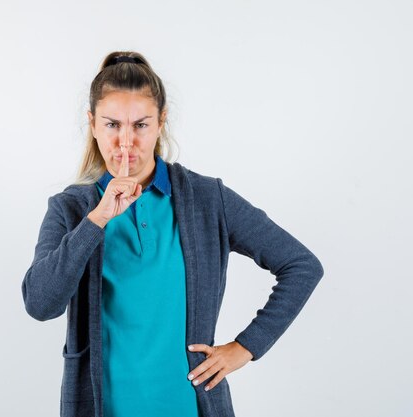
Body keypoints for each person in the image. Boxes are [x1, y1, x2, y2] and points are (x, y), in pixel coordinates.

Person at [21, 51, 324, 417]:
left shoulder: (207, 199)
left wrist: (245, 347)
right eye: (113, 124)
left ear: (161, 121)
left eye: (141, 125)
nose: (126, 142)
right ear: (93, 124)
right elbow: (40, 304)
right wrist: (97, 218)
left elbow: (301, 265)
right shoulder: (70, 208)